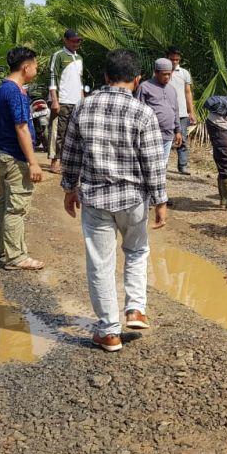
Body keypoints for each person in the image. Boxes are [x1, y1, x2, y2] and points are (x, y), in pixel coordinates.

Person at [59, 49, 168, 351]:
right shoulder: (142, 112)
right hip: (133, 199)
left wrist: (69, 189)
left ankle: (108, 332)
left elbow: (70, 154)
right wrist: (160, 200)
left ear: (105, 77)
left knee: (100, 264)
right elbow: (152, 162)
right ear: (137, 80)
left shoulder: (84, 107)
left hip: (95, 199)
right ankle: (135, 309)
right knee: (136, 251)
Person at [0, 47, 45, 271]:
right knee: (16, 208)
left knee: (3, 202)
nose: (36, 69)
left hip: (3, 151)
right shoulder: (15, 92)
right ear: (26, 67)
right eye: (35, 65)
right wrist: (33, 162)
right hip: (15, 156)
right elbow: (21, 127)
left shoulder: (3, 88)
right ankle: (16, 257)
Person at [48, 28, 84, 174]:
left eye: (79, 41)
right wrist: (55, 100)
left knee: (71, 134)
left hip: (76, 101)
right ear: (66, 40)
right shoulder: (59, 56)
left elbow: (80, 80)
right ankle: (54, 161)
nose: (77, 43)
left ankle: (65, 161)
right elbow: (52, 77)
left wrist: (82, 98)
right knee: (58, 132)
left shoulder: (79, 58)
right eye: (74, 41)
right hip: (62, 100)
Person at [137, 58, 182, 166]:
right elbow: (138, 111)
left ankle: (160, 183)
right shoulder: (145, 87)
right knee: (150, 165)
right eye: (164, 74)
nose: (167, 77)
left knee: (163, 165)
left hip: (168, 135)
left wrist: (178, 131)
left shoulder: (171, 89)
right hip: (151, 134)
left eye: (169, 74)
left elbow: (175, 110)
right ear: (156, 72)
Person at [165, 46, 196, 175]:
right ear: (167, 58)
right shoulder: (160, 72)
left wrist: (191, 112)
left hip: (182, 112)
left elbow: (188, 93)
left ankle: (182, 165)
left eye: (177, 59)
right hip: (165, 111)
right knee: (164, 138)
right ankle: (162, 164)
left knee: (182, 139)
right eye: (172, 59)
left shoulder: (184, 73)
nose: (175, 62)